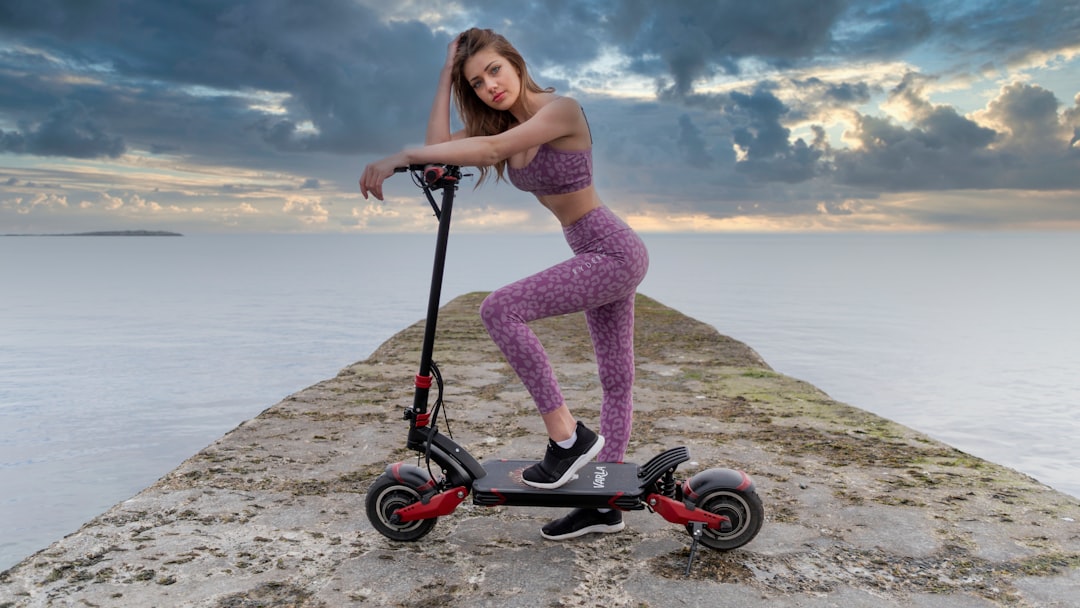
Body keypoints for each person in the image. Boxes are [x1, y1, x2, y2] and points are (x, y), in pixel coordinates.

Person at [359, 28, 649, 541]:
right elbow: (441, 148)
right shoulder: (508, 124)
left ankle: (567, 440)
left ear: (514, 63)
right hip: (590, 249)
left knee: (500, 309)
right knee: (615, 378)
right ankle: (606, 506)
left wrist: (395, 158)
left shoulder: (562, 110)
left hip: (613, 249)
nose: (489, 85)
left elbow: (488, 146)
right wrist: (446, 78)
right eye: (475, 82)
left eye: (494, 70)